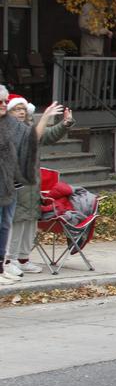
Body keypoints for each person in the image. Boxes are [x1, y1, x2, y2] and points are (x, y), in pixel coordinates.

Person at [5, 97, 75, 277]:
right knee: (15, 224)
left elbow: (48, 135)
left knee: (29, 223)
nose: (21, 112)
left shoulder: (29, 129)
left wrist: (65, 123)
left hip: (31, 187)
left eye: (23, 109)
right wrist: (44, 117)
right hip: (13, 187)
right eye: (16, 109)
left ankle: (23, 259)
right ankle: (9, 260)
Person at [0, 86, 39, 285]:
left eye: (6, 102)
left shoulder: (11, 124)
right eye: (1, 102)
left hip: (11, 184)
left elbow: (34, 138)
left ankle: (2, 267)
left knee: (5, 226)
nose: (4, 106)